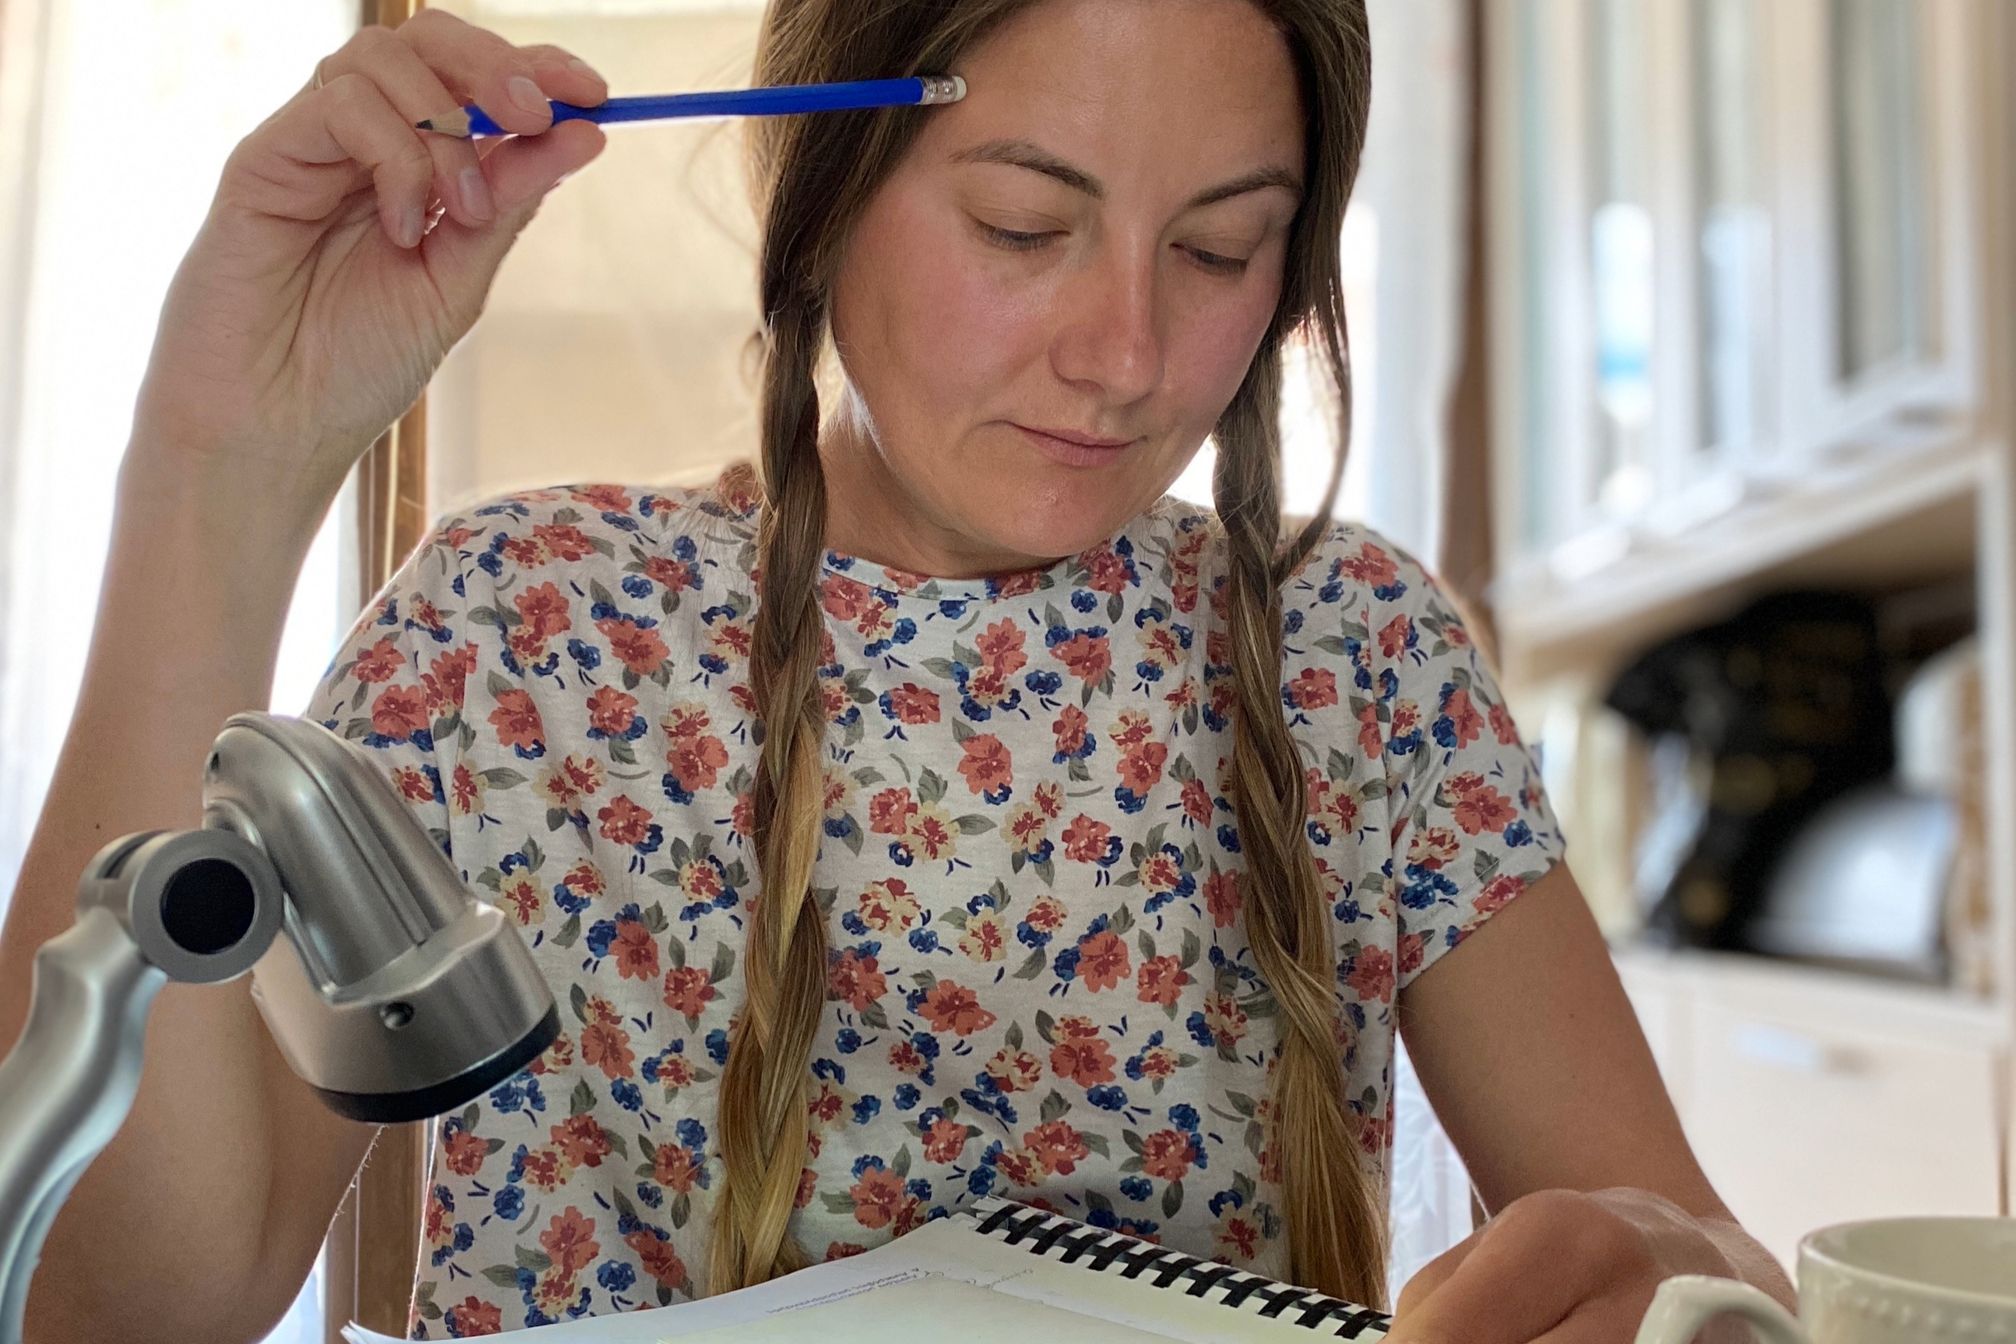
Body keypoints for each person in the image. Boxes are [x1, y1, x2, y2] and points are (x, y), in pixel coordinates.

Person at [0, 1, 1796, 1340]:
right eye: (1025, 225)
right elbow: (113, 1306)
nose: (1128, 354)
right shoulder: (520, 627)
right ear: (825, 190)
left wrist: (1670, 1278)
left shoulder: (1361, 657)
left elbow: (1694, 1250)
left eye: (1224, 247)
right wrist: (217, 470)